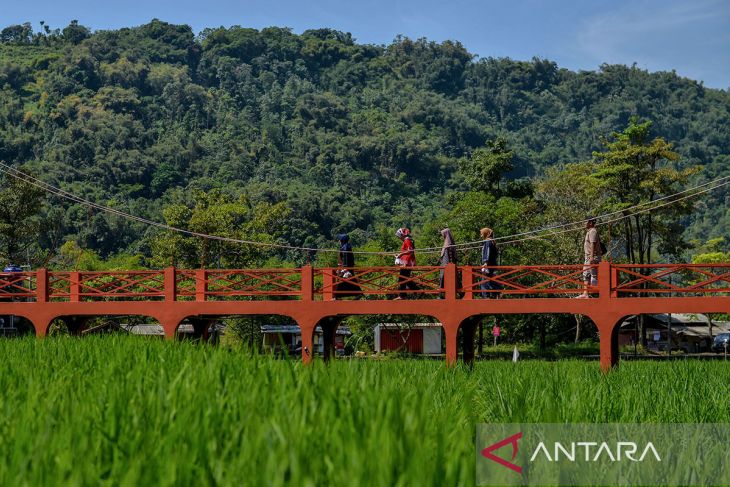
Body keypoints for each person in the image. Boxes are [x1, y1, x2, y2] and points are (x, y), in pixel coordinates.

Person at [577, 217, 602, 298]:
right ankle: (585, 293)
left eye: (585, 222)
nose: (584, 223)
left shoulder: (593, 231)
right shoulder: (589, 232)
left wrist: (591, 257)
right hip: (588, 257)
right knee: (586, 275)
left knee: (593, 276)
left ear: (590, 223)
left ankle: (599, 293)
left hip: (592, 257)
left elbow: (593, 244)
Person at [394, 227, 417, 299]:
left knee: (402, 278)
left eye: (399, 236)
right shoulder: (407, 240)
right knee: (405, 278)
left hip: (407, 263)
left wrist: (400, 255)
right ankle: (418, 291)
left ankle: (402, 295)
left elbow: (410, 251)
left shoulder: (407, 240)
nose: (399, 238)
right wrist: (400, 255)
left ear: (402, 235)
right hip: (407, 262)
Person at [336, 234, 360, 298]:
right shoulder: (346, 246)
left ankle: (337, 296)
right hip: (348, 267)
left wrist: (345, 268)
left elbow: (345, 258)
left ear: (342, 240)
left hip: (346, 267)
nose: (339, 241)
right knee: (351, 280)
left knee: (342, 280)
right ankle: (358, 294)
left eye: (340, 239)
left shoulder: (345, 247)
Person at [480, 227, 500, 298]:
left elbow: (487, 252)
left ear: (485, 233)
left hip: (488, 265)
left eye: (482, 234)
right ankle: (497, 293)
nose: (481, 236)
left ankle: (486, 297)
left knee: (484, 282)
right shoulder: (492, 241)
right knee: (492, 280)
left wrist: (485, 262)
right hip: (493, 264)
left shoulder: (488, 241)